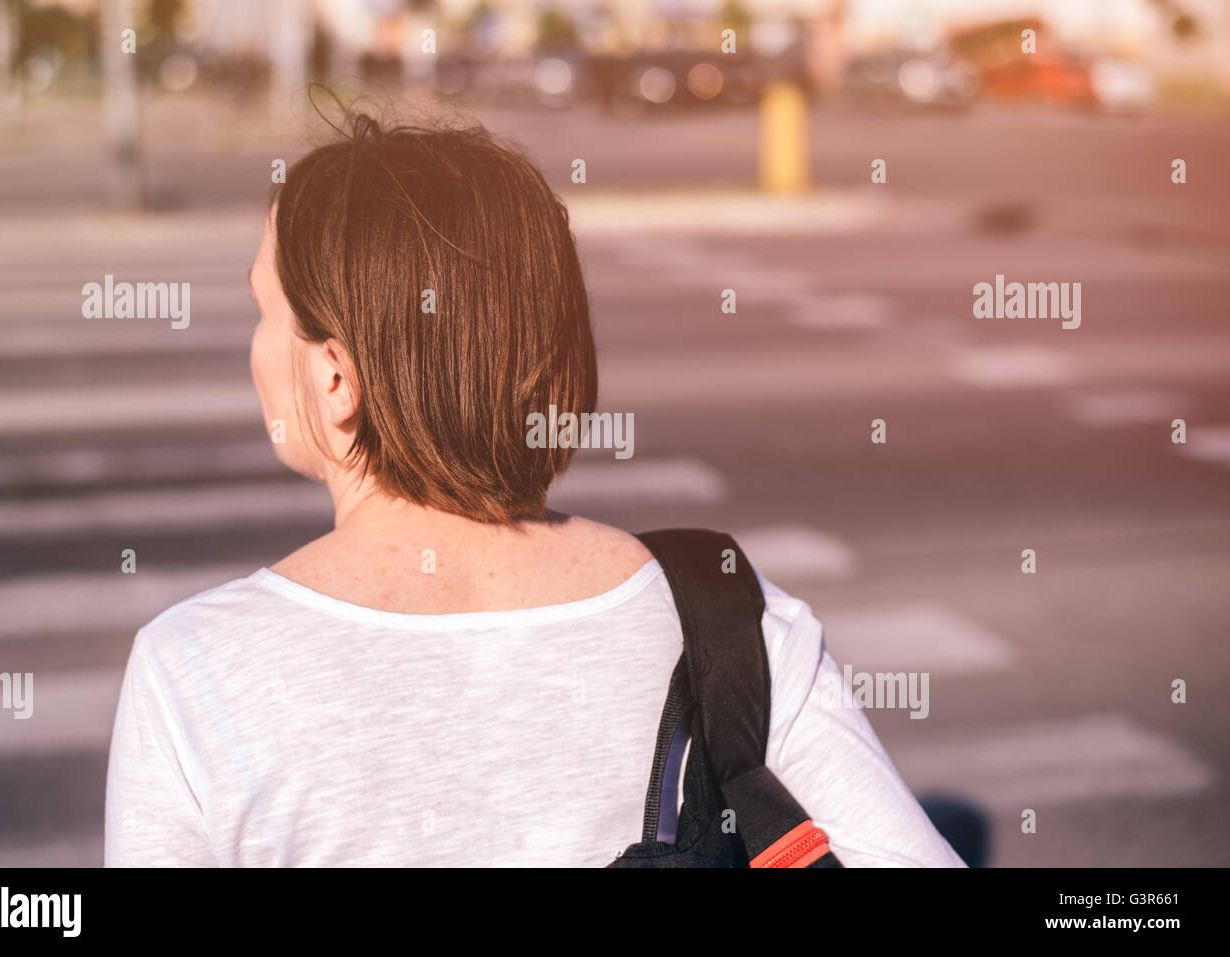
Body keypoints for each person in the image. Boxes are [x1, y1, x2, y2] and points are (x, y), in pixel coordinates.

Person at [104, 111, 965, 867]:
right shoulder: (727, 619)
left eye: (264, 310)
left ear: (337, 378)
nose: (251, 349)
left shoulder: (194, 671)